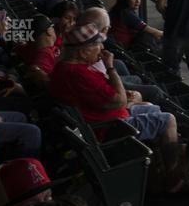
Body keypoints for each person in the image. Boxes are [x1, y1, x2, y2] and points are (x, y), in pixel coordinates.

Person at [48, 23, 177, 143]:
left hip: (108, 119)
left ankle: (160, 160)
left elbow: (101, 96)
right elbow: (119, 101)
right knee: (169, 120)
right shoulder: (78, 74)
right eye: (98, 44)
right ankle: (173, 166)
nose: (102, 48)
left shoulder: (66, 67)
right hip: (110, 128)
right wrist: (110, 67)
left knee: (153, 108)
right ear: (84, 52)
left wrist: (122, 95)